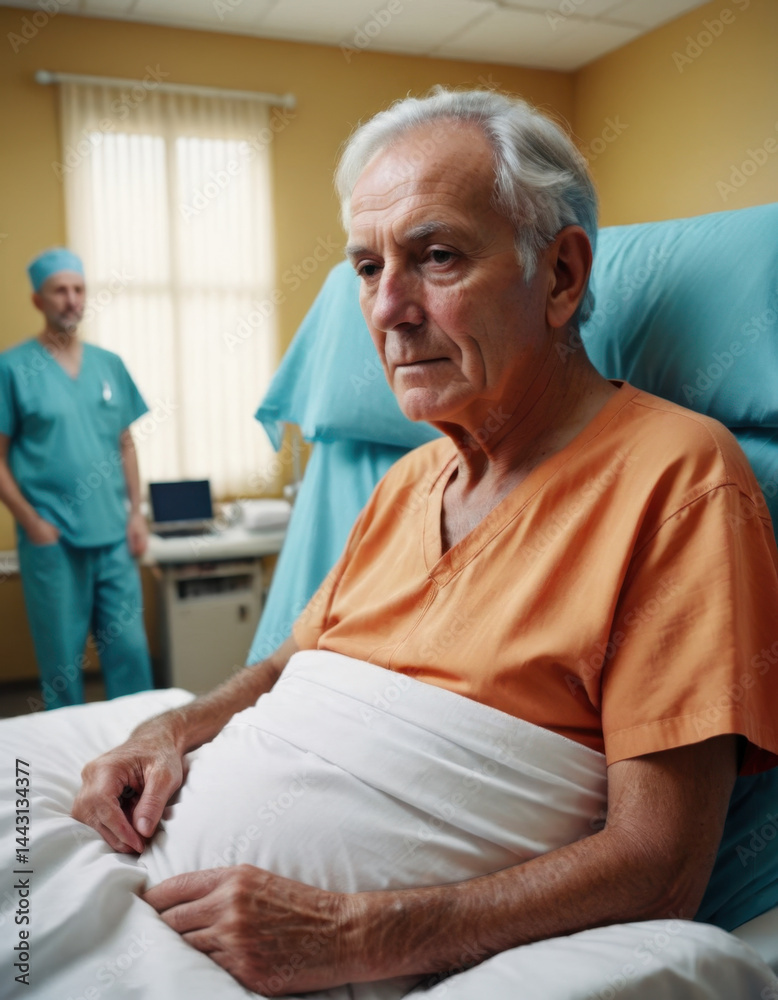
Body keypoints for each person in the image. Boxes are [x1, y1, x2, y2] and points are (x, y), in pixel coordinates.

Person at [71, 89, 778, 995]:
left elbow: (660, 862)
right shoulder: (408, 481)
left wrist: (357, 933)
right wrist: (171, 727)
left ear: (561, 277)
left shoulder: (676, 477)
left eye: (435, 257)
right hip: (153, 879)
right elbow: (288, 666)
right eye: (367, 269)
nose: (388, 309)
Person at [0, 247, 154, 710]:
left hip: (113, 536)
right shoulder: (12, 368)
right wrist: (32, 523)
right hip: (53, 539)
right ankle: (65, 771)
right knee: (62, 665)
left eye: (78, 289)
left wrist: (136, 513)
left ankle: (140, 755)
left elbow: (125, 444)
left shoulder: (109, 364)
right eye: (60, 290)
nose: (71, 300)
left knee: (130, 652)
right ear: (38, 301)